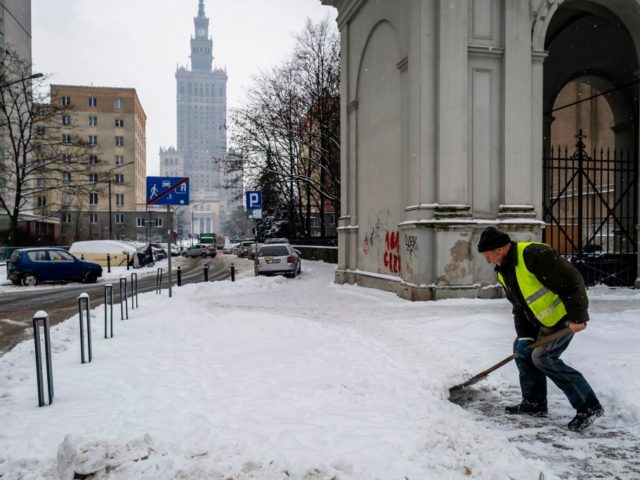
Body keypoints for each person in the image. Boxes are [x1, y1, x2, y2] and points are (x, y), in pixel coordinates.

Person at [477, 226, 603, 432]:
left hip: (565, 314)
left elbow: (573, 281)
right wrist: (525, 337)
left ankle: (589, 406)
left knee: (544, 357)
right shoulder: (504, 271)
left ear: (499, 250)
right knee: (522, 350)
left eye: (487, 256)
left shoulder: (533, 254)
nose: (487, 261)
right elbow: (519, 307)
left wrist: (578, 316)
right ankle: (534, 404)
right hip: (543, 321)